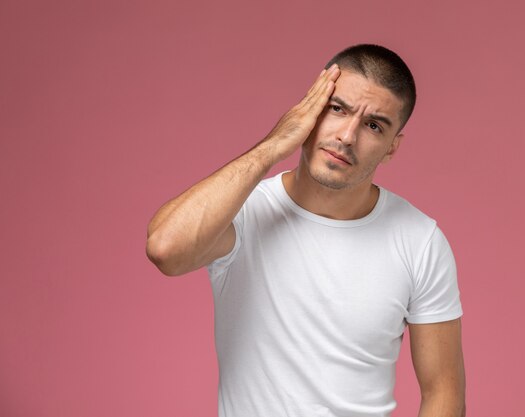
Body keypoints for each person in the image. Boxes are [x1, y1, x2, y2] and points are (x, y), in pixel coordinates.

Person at [146, 44, 465, 417]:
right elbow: (165, 249)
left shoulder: (420, 241)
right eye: (337, 109)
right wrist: (272, 145)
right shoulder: (245, 213)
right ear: (310, 107)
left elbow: (444, 392)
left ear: (392, 148)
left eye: (373, 125)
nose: (347, 136)